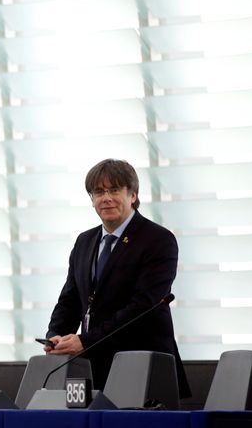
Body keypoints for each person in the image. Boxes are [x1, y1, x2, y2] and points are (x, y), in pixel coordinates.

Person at [44, 158, 190, 397]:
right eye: (98, 192)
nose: (106, 198)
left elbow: (142, 306)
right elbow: (70, 300)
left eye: (114, 190)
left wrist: (86, 340)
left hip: (142, 369)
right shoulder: (84, 241)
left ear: (133, 195)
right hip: (90, 370)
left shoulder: (158, 240)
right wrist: (54, 336)